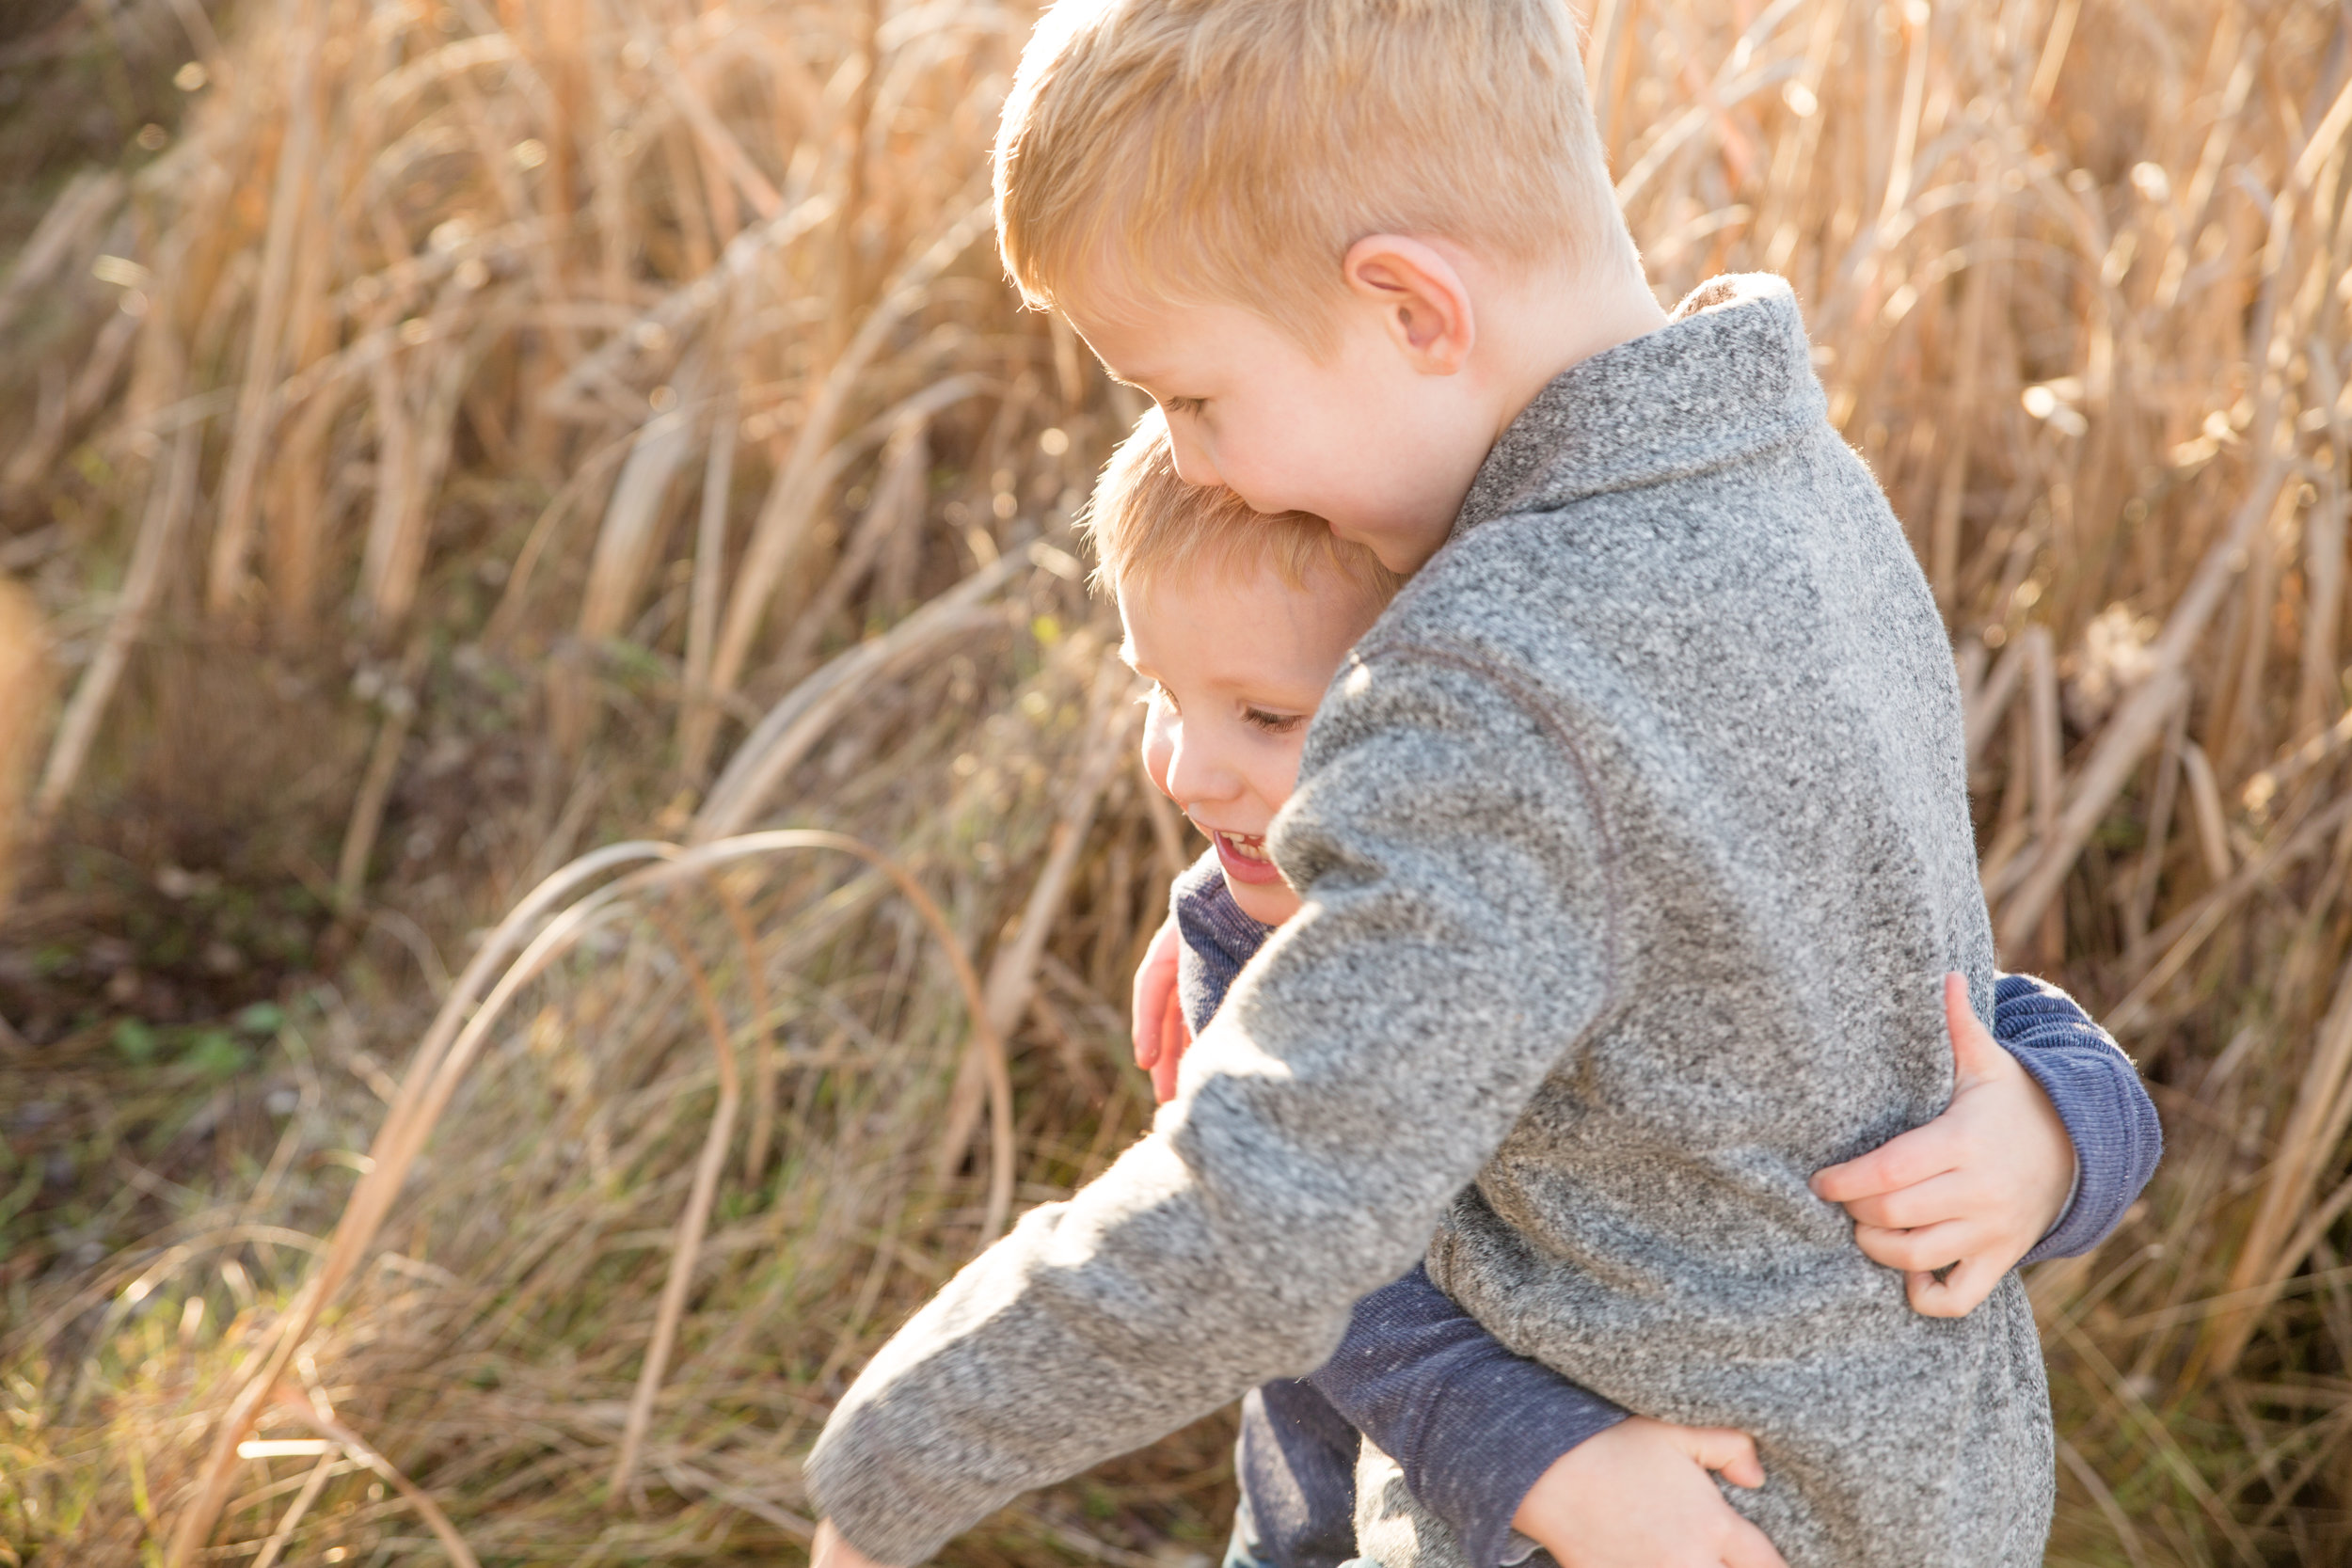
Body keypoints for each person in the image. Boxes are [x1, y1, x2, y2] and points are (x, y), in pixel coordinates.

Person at [803, 3, 2165, 1562]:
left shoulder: (1497, 674)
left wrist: (899, 1455)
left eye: (1190, 396)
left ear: (1409, 308)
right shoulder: (1797, 493)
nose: (1182, 464)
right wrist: (2054, 1129)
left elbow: (1271, 1210)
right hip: (1933, 1490)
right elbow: (1866, 981)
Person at [1087, 417, 2158, 1568]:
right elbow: (1330, 1288)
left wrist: (2053, 1133)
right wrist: (1549, 1459)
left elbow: (1938, 1006)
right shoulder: (1238, 947)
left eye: (1265, 716)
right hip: (1352, 1521)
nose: (1188, 772)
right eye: (1161, 691)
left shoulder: (1599, 868)